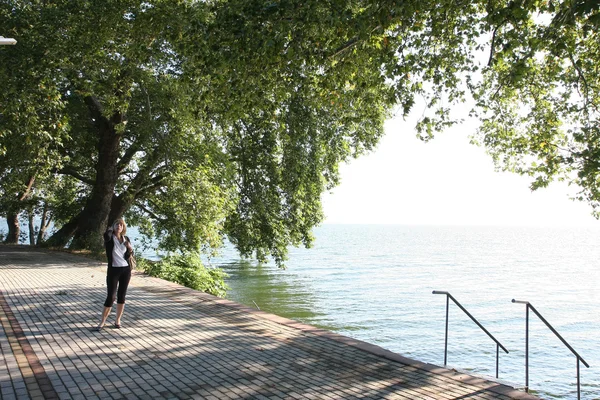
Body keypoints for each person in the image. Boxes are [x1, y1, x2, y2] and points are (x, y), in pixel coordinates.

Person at [95, 218, 134, 331]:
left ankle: (118, 320)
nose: (119, 227)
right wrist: (110, 229)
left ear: (123, 228)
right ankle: (102, 322)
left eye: (121, 225)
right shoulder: (109, 238)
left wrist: (130, 248)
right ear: (114, 226)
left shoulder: (126, 239)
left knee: (122, 296)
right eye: (117, 224)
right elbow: (105, 235)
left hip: (125, 270)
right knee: (111, 297)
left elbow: (127, 256)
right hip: (113, 270)